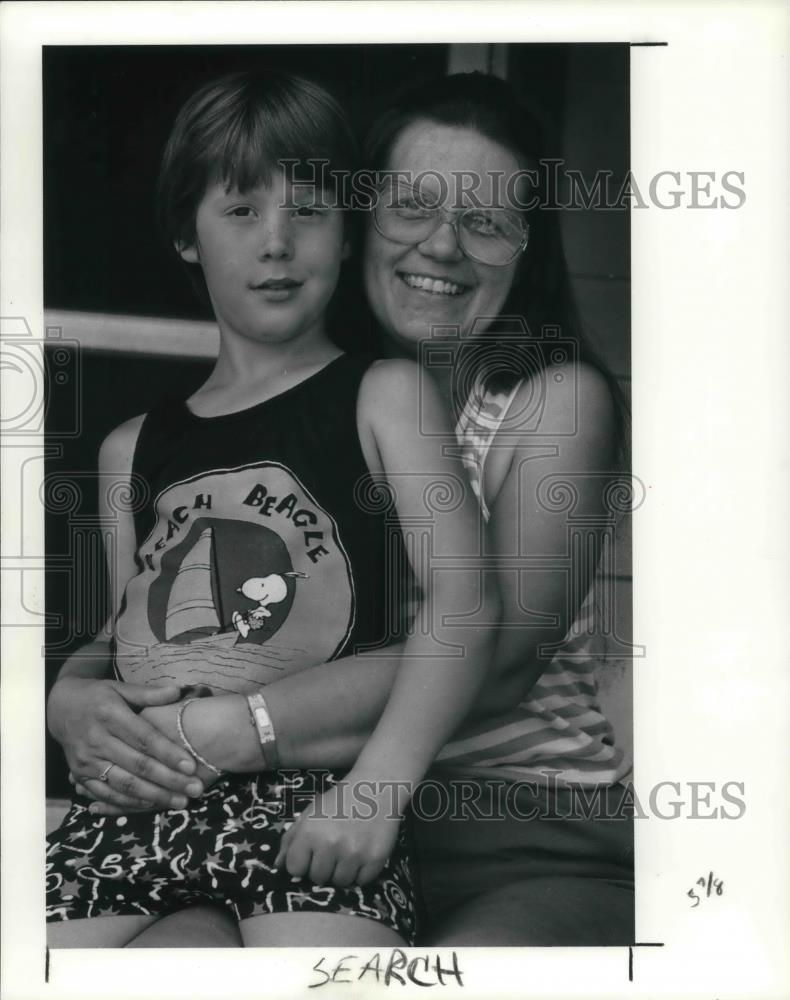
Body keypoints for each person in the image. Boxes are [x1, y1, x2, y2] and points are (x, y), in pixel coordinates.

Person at [51, 71, 634, 948]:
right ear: (363, 222)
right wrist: (72, 696)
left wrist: (242, 727)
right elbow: (149, 614)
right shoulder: (315, 403)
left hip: (507, 831)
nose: (443, 246)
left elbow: (502, 656)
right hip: (282, 818)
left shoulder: (554, 401)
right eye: (412, 207)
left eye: (485, 222)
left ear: (527, 247)